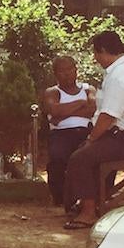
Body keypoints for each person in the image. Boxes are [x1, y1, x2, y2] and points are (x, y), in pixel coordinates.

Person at [63, 31, 124, 230]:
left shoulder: (121, 75)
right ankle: (91, 200)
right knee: (78, 149)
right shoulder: (119, 71)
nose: (95, 58)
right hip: (116, 134)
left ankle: (89, 212)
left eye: (96, 53)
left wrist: (92, 138)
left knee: (80, 158)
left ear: (105, 51)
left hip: (123, 138)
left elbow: (109, 116)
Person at [43, 56, 95, 208]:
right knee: (57, 158)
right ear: (55, 73)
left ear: (76, 70)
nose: (66, 74)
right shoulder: (53, 92)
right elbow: (53, 109)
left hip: (86, 131)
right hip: (61, 133)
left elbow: (92, 109)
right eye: (62, 71)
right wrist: (80, 103)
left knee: (96, 156)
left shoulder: (87, 89)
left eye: (69, 69)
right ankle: (60, 199)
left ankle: (93, 199)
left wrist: (62, 114)